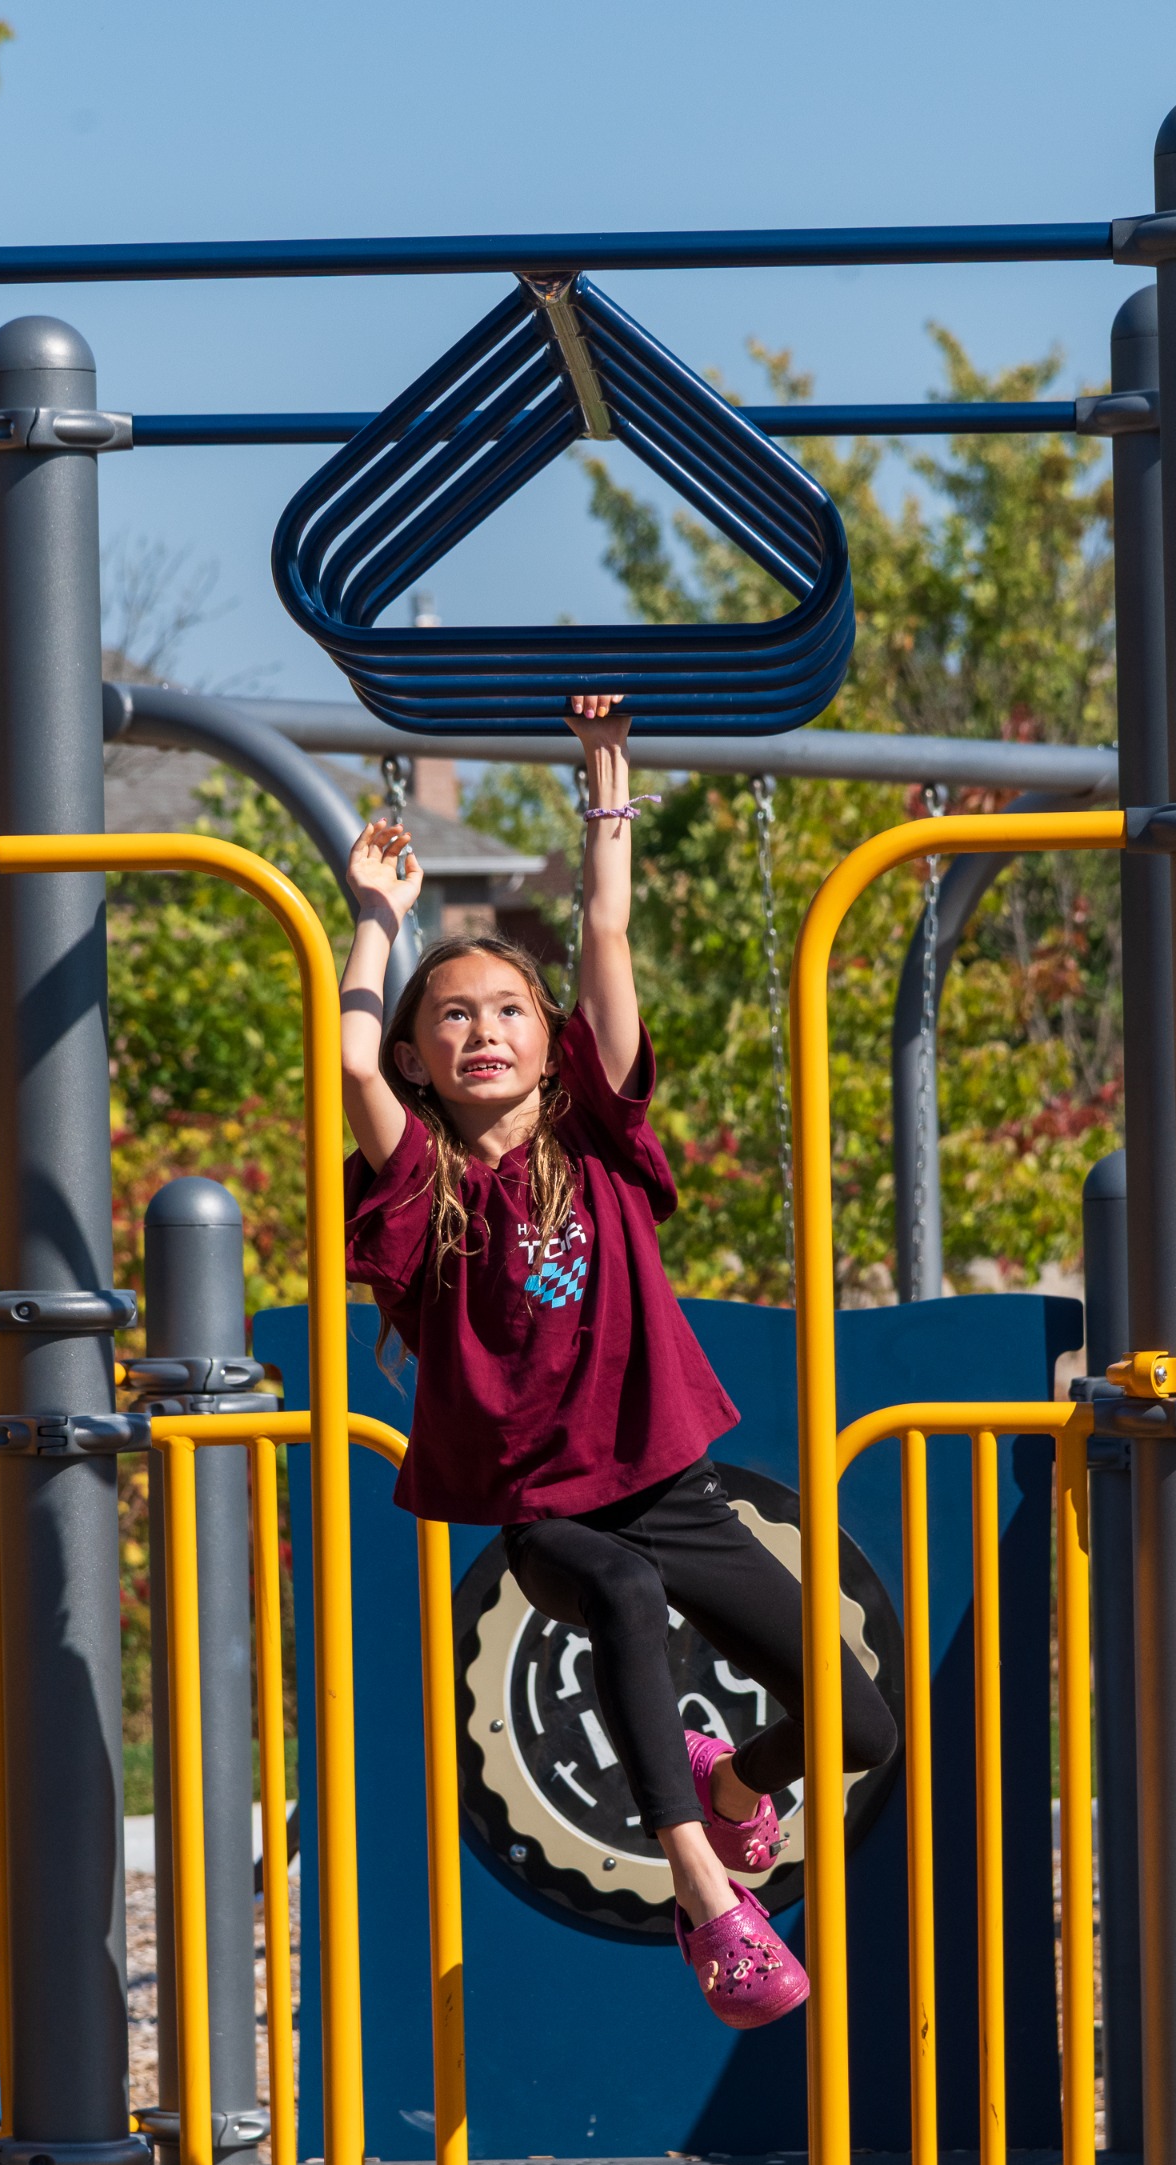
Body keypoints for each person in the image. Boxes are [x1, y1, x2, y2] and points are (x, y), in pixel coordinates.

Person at [338, 694, 900, 2028]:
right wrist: (373, 916)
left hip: (669, 1486)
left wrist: (604, 779)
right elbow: (346, 1049)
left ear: (551, 1044)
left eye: (508, 1012)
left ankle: (732, 1787)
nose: (484, 1031)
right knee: (626, 1607)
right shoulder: (418, 1185)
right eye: (453, 1018)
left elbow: (602, 935)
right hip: (547, 1515)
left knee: (861, 1727)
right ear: (423, 1061)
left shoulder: (602, 1144)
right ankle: (711, 1902)